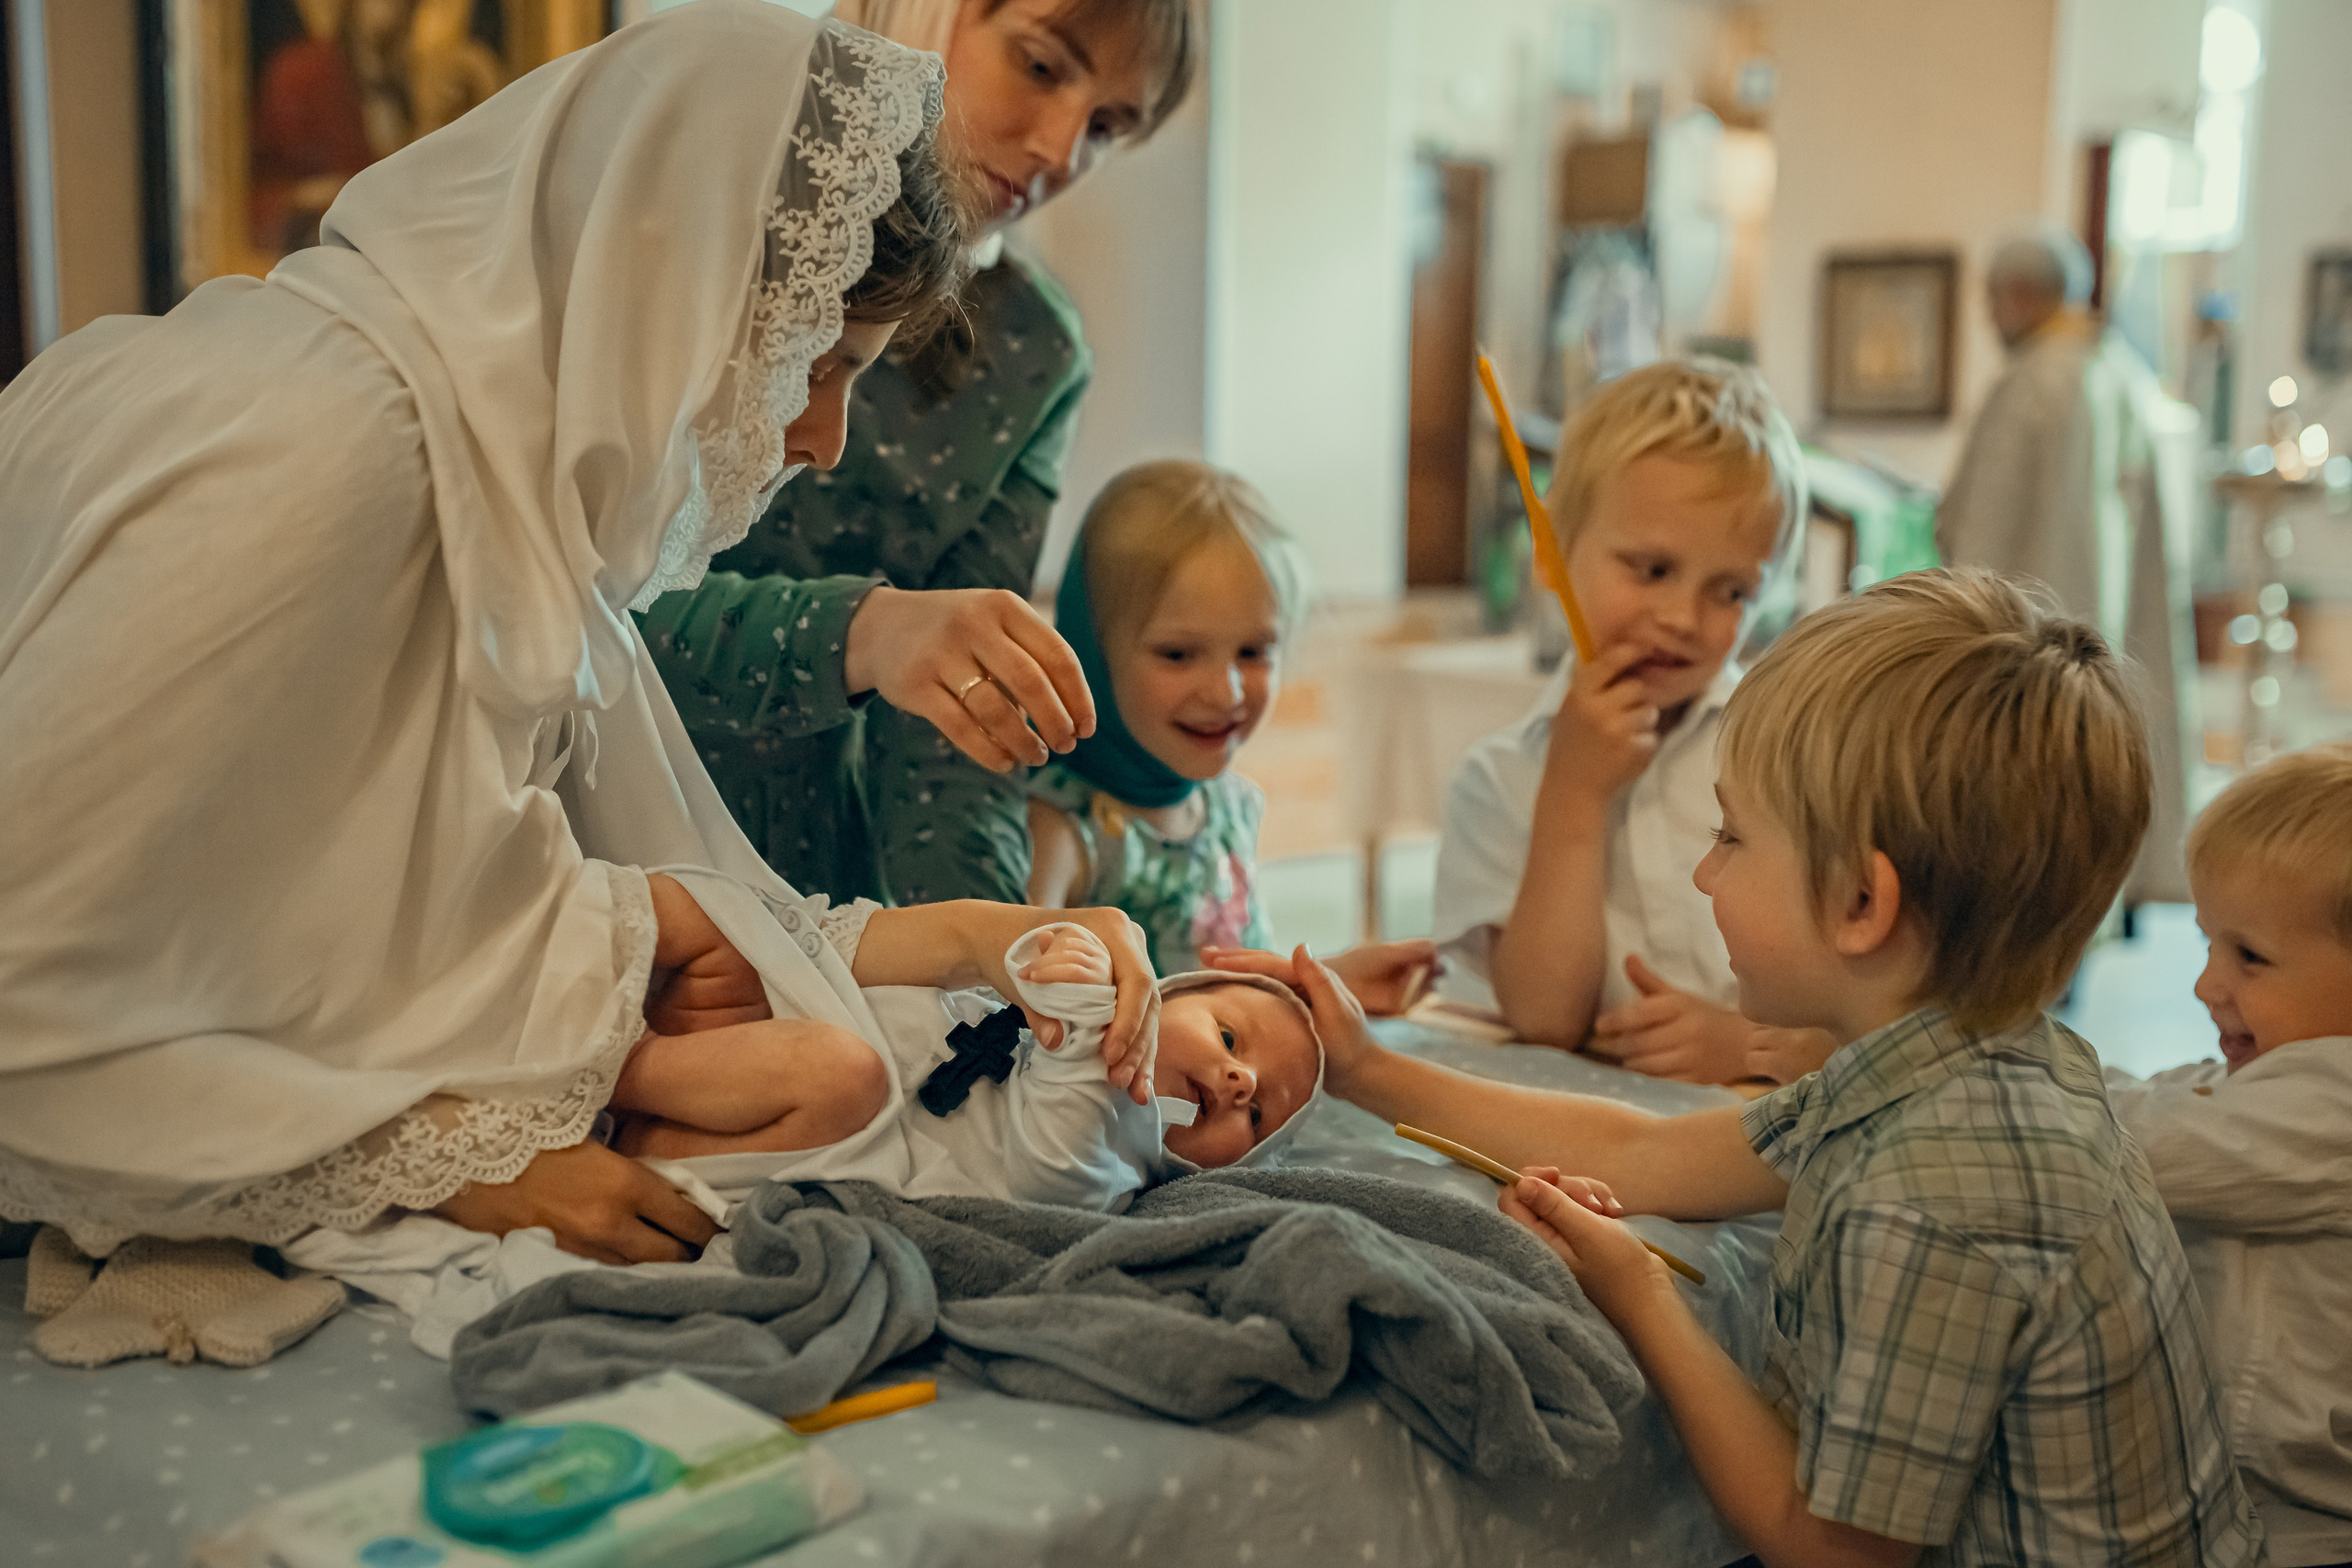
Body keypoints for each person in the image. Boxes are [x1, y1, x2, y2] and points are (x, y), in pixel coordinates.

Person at [0, 4, 1158, 1270]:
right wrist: (447, 1168)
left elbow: (498, 897)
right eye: (811, 362)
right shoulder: (328, 449)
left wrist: (978, 934)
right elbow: (30, 1001)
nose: (822, 440)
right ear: (661, 278)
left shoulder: (522, 504)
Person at [1303, 570, 2262, 1564]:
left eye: (1729, 836)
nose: (1704, 870)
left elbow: (1831, 1550)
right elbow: (1652, 1154)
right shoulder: (1976, 1057)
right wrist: (1367, 1070)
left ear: (1860, 904)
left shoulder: (1933, 1194)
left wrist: (1645, 1301)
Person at [641, 0, 1200, 908]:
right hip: (593, 850)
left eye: (1106, 127)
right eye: (1041, 67)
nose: (1061, 153)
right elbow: (563, 622)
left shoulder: (1030, 348)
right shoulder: (698, 215)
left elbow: (955, 734)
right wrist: (861, 632)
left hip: (819, 886)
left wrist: (985, 966)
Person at [1429, 358, 1833, 1085]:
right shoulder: (1497, 781)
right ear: (1551, 552)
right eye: (1650, 570)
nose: (1681, 619)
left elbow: (1861, 1000)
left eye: (1731, 590)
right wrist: (1574, 795)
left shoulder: (1795, 761)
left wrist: (1748, 1044)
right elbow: (1545, 1020)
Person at [610, 874, 1323, 1212]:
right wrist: (1050, 962)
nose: (1240, 1082)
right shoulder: (1067, 1011)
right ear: (1159, 994)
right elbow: (964, 980)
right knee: (712, 909)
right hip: (771, 1030)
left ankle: (597, 1081)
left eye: (1257, 1117)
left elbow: (1049, 1165)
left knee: (839, 1073)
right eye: (1231, 1037)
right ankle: (566, 1001)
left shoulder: (1110, 1165)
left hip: (810, 1129)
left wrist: (1079, 1022)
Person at [1024, 460, 1436, 1010]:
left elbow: (1232, 986)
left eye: (1254, 652)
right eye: (1178, 654)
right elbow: (1025, 1013)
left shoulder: (1228, 806)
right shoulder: (1062, 831)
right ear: (1090, 654)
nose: (1226, 693)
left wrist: (1324, 981)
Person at [2104, 743, 2352, 1566]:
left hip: (2302, 1533)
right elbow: (2153, 1097)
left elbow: (2128, 1138)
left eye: (2249, 956)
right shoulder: (2266, 1085)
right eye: (2211, 943)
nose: (2208, 985)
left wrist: (1953, 1049)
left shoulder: (2332, 1108)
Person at [1938, 225, 2196, 908]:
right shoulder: (2119, 373)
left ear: (2021, 295)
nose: (1990, 316)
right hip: (2099, 642)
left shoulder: (2031, 385)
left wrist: (1956, 624)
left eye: (1992, 299)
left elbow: (1980, 534)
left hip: (2028, 642)